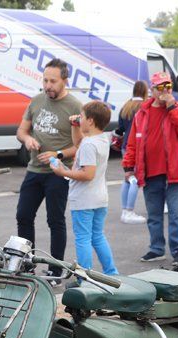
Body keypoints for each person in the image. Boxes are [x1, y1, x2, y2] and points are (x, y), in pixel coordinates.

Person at [123, 71, 178, 266]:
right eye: (161, 87)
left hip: (175, 172)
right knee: (154, 214)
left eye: (168, 87)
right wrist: (128, 166)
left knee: (176, 212)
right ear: (152, 90)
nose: (165, 91)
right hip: (150, 172)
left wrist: (172, 106)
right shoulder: (141, 113)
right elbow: (132, 143)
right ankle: (156, 249)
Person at [15, 58, 82, 269]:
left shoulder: (75, 106)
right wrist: (27, 140)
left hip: (58, 172)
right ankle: (27, 264)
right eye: (45, 80)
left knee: (55, 220)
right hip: (34, 170)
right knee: (23, 216)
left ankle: (55, 269)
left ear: (64, 80)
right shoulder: (36, 101)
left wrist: (58, 154)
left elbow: (80, 146)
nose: (47, 86)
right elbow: (21, 131)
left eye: (52, 81)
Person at [51, 101, 118, 275]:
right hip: (99, 198)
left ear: (90, 121)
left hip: (84, 199)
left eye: (81, 117)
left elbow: (88, 174)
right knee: (97, 236)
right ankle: (112, 273)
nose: (78, 119)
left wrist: (62, 172)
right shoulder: (101, 139)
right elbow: (79, 143)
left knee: (83, 239)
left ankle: (84, 277)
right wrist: (75, 125)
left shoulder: (89, 145)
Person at [116, 80, 147, 224]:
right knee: (135, 178)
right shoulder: (144, 106)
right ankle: (129, 210)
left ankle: (125, 210)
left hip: (125, 145)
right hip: (137, 145)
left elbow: (120, 129)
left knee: (127, 177)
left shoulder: (126, 106)